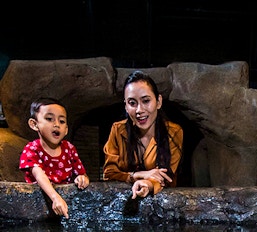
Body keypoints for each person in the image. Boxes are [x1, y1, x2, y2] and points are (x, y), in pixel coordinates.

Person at [103, 71, 183, 199]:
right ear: (126, 106)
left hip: (163, 201)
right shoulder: (118, 130)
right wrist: (139, 175)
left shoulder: (173, 132)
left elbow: (166, 176)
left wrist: (146, 184)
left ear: (158, 102)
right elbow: (109, 173)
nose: (139, 110)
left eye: (146, 101)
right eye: (132, 103)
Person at [19, 98, 89, 219]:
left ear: (66, 129)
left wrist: (82, 179)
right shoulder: (32, 149)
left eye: (61, 121)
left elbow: (82, 174)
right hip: (40, 204)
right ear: (34, 124)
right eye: (49, 119)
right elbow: (39, 175)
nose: (56, 124)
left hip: (66, 204)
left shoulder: (69, 148)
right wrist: (55, 197)